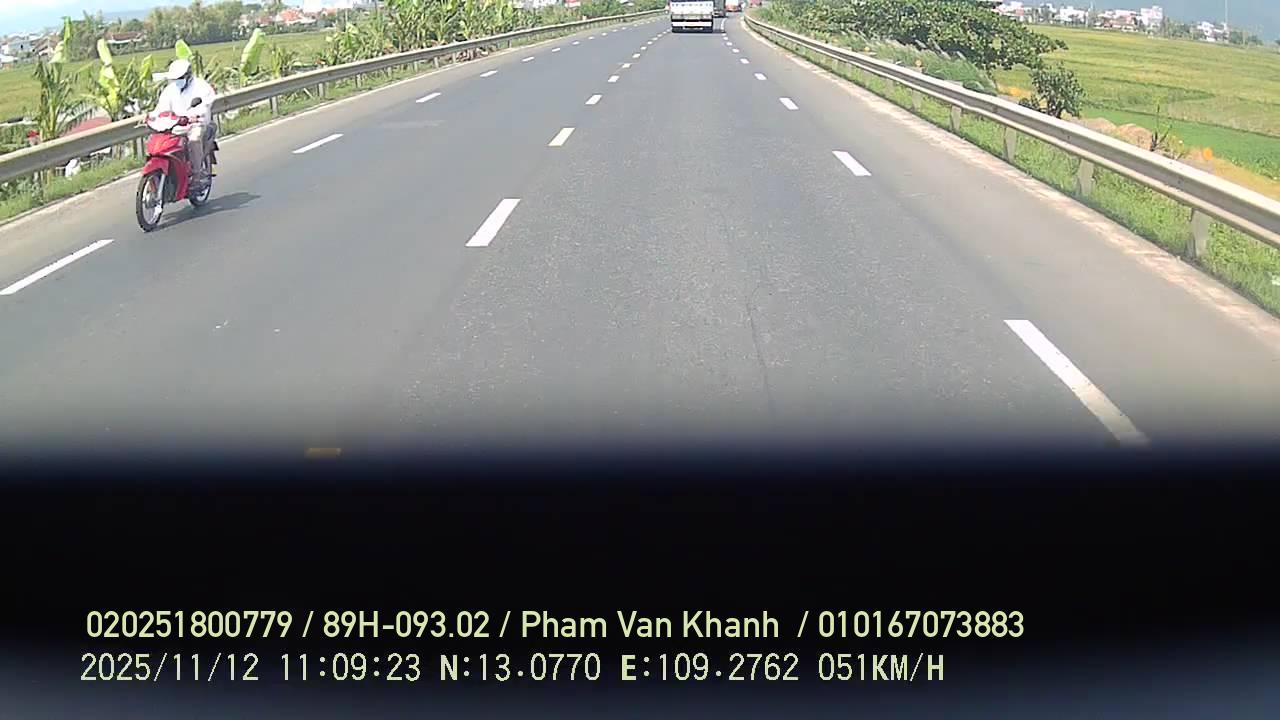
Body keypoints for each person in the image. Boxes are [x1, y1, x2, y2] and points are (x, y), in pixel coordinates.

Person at [154, 58, 217, 190]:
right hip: (176, 124)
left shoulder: (201, 87)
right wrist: (152, 116)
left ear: (188, 76)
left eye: (180, 78)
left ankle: (197, 174)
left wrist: (196, 115)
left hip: (196, 124)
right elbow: (161, 108)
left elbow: (206, 104)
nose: (177, 81)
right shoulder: (170, 90)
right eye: (175, 79)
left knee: (194, 140)